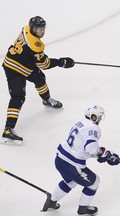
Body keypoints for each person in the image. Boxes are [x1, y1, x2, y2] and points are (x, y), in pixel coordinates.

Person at [1, 16, 75, 145]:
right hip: (13, 68)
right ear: (33, 29)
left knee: (40, 78)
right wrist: (60, 62)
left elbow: (33, 58)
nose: (42, 31)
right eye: (39, 29)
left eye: (43, 28)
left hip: (23, 62)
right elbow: (44, 64)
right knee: (18, 97)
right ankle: (8, 130)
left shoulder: (25, 28)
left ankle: (46, 100)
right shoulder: (36, 45)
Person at [42, 104, 120, 215]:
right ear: (94, 117)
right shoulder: (93, 128)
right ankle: (83, 209)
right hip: (72, 165)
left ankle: (51, 202)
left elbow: (82, 147)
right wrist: (105, 155)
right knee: (94, 182)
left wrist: (103, 154)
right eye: (99, 117)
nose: (100, 120)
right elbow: (90, 147)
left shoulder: (80, 123)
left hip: (60, 159)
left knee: (70, 182)